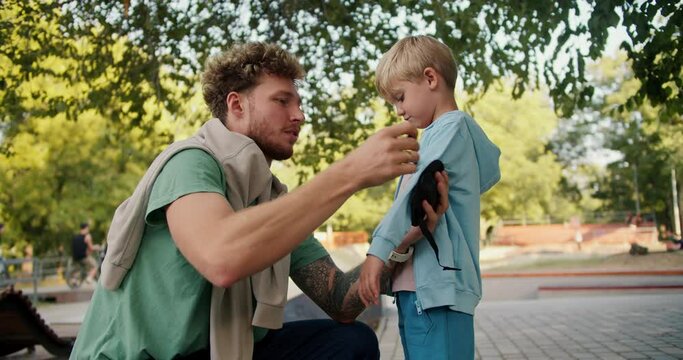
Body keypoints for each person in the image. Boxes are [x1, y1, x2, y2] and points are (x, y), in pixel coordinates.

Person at [69, 42, 437, 359]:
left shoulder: (269, 202)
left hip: (219, 353)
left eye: (299, 103)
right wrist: (351, 172)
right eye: (282, 101)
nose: (299, 115)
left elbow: (340, 300)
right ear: (237, 105)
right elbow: (222, 257)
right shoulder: (190, 162)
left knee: (350, 342)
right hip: (141, 355)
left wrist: (400, 241)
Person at [358, 35, 501, 360]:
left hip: (438, 293)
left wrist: (377, 251)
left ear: (430, 78)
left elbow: (410, 197)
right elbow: (488, 174)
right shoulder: (440, 136)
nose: (398, 110)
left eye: (400, 97)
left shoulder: (451, 128)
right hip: (418, 288)